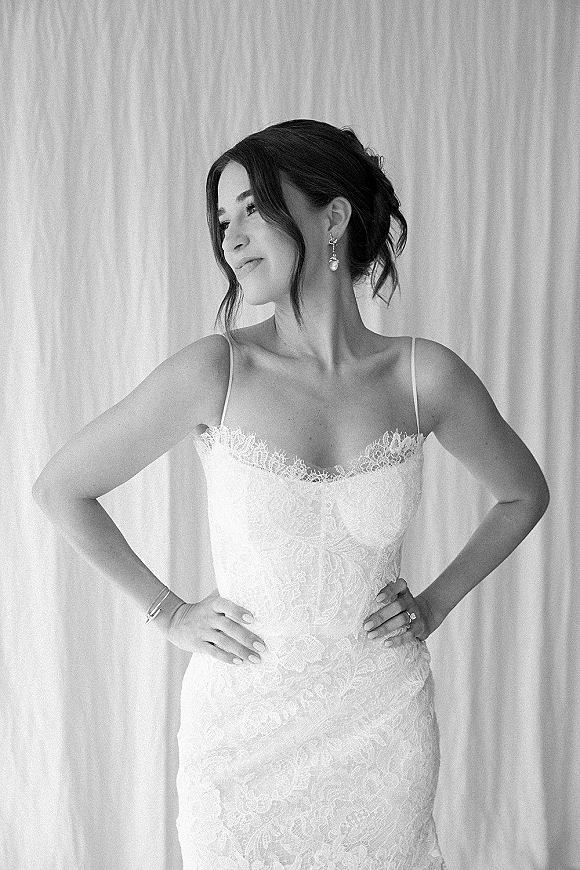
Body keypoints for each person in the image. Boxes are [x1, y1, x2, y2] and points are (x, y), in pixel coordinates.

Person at [32, 119, 550, 869]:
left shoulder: (423, 378)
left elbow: (522, 494)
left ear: (331, 217)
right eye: (222, 221)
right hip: (240, 734)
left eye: (253, 209)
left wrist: (434, 604)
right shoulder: (218, 369)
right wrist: (169, 611)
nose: (232, 239)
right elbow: (62, 488)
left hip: (382, 725)